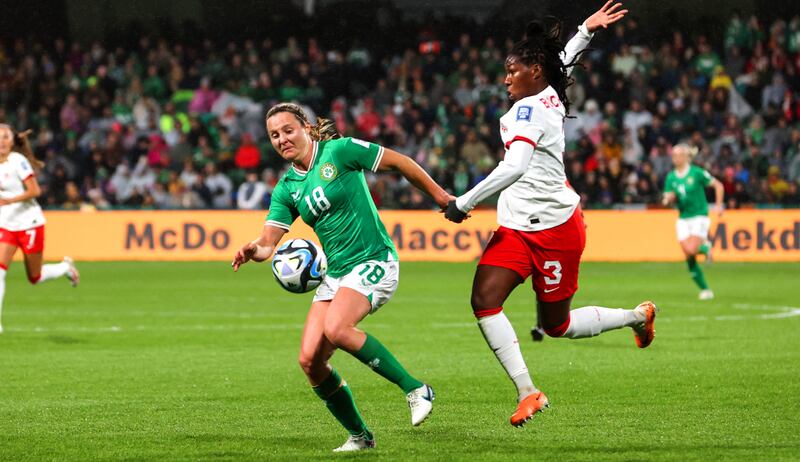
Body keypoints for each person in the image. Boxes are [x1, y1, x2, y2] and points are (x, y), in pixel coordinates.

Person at [443, 3, 658, 427]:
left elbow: (515, 166)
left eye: (512, 70)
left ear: (533, 72)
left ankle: (637, 316)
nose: (506, 77)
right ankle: (529, 392)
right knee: (484, 302)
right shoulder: (547, 92)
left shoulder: (528, 109)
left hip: (557, 231)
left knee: (556, 326)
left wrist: (463, 203)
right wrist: (585, 30)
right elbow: (560, 63)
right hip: (517, 229)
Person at [231, 103, 452, 452]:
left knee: (337, 328)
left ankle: (415, 388)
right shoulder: (287, 187)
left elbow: (400, 162)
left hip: (373, 260)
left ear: (305, 127)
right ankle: (361, 437)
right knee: (310, 361)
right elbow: (269, 243)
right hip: (336, 274)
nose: (282, 139)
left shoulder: (340, 150)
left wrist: (440, 196)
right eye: (274, 135)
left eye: (288, 130)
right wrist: (253, 250)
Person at [0, 125, 79, 333]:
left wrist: (9, 201)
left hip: (30, 223)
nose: (2, 141)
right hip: (6, 225)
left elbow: (35, 190)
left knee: (34, 277)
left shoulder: (18, 162)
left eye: (5, 137)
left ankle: (65, 268)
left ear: (11, 141)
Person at [662, 143, 724, 300]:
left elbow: (718, 185)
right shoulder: (671, 177)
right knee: (689, 256)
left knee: (691, 250)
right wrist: (668, 199)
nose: (674, 158)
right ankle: (705, 289)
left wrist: (718, 206)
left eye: (677, 155)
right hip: (683, 218)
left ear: (685, 156)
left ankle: (704, 247)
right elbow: (667, 199)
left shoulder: (696, 173)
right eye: (673, 155)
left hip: (699, 216)